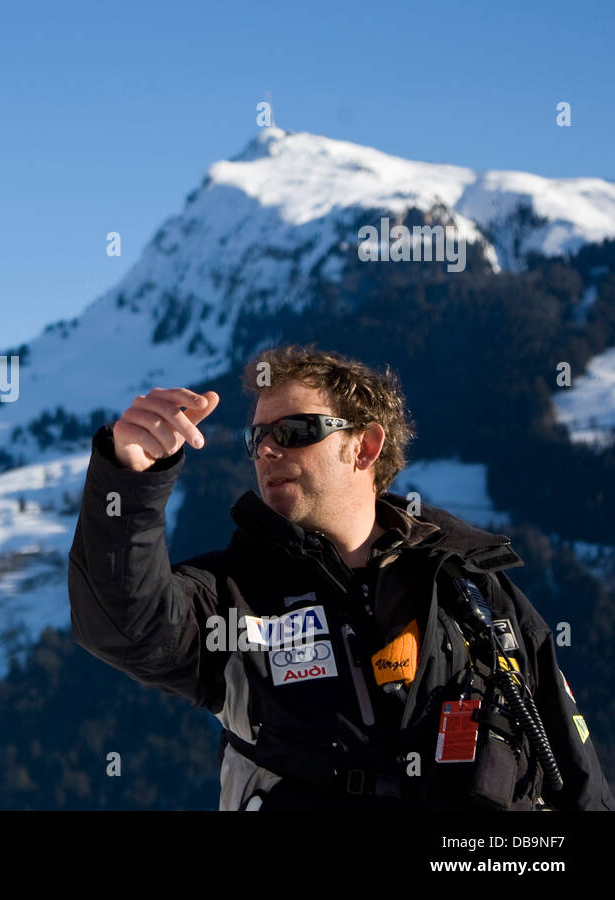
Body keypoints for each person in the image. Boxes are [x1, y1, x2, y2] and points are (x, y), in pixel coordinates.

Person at [68, 343, 613, 810]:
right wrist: (129, 478)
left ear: (365, 447)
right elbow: (124, 625)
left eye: (294, 430)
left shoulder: (473, 587)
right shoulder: (233, 597)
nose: (267, 449)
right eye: (256, 438)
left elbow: (576, 773)